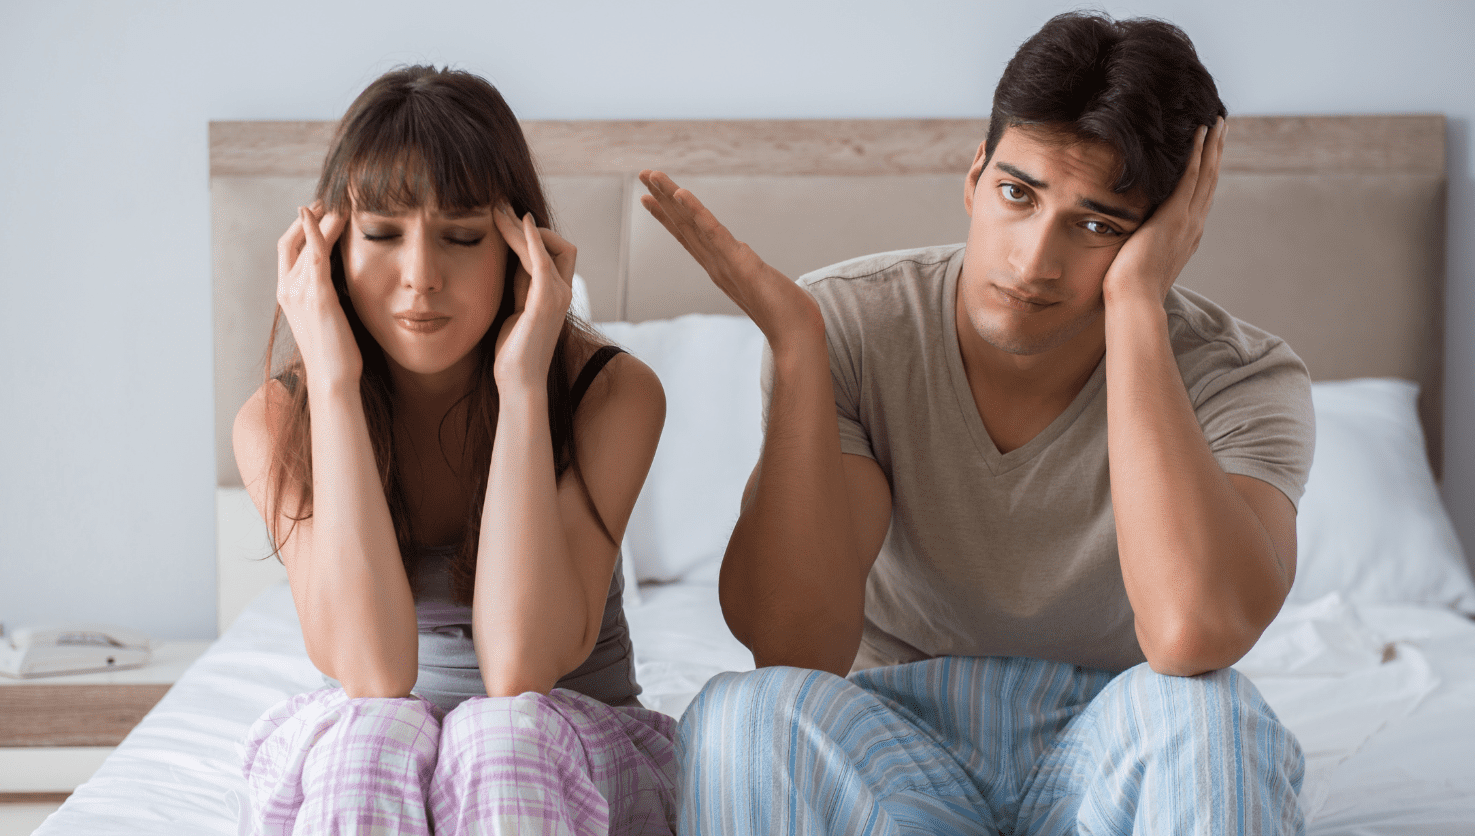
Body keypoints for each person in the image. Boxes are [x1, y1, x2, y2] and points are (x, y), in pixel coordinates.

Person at [640, 12, 1313, 836]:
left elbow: (1191, 635)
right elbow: (797, 644)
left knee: (1217, 722)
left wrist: (1137, 307)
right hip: (892, 736)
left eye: (1099, 225)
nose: (1033, 262)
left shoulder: (1239, 374)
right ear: (973, 178)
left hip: (1118, 733)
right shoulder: (851, 325)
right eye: (1016, 194)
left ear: (1171, 235)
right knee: (742, 713)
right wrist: (796, 348)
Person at [232, 66, 675, 835]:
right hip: (380, 761)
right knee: (371, 735)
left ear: (520, 247)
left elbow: (519, 669)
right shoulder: (281, 422)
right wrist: (334, 382)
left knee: (497, 736)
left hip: (565, 753)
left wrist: (524, 386)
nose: (420, 278)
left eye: (463, 237)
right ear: (329, 246)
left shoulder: (613, 396)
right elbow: (373, 676)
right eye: (381, 234)